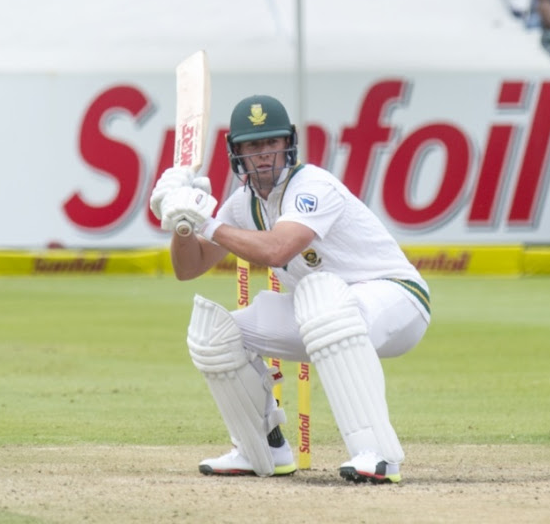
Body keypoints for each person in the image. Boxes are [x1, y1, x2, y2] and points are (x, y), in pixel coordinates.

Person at [149, 95, 431, 484]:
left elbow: (279, 248)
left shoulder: (312, 185)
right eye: (253, 145)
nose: (264, 154)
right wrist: (181, 222)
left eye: (272, 143)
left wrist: (207, 223)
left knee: (322, 298)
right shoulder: (244, 204)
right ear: (237, 152)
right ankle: (261, 449)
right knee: (214, 335)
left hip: (397, 300)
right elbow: (189, 267)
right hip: (324, 316)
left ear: (288, 144)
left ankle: (378, 455)